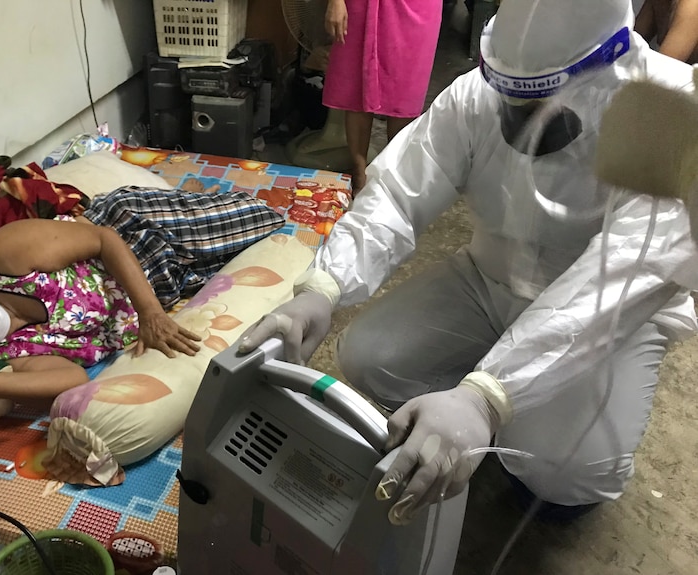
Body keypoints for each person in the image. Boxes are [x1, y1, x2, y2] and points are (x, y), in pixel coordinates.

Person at [239, 0, 698, 525]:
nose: (517, 123)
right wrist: (324, 285)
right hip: (487, 277)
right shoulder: (481, 92)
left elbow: (619, 277)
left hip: (610, 317)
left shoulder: (674, 118)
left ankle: (506, 417)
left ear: (605, 72)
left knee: (560, 472)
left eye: (539, 106)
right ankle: (482, 393)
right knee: (370, 357)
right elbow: (398, 195)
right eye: (511, 101)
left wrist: (487, 397)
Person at [0, 187, 283, 405]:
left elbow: (104, 239)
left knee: (264, 216)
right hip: (169, 282)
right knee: (262, 254)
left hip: (140, 237)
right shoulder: (10, 352)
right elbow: (73, 379)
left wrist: (151, 313)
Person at [323, 0, 442, 194]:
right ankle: (359, 178)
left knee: (405, 92)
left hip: (418, 8)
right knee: (356, 89)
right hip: (361, 6)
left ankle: (392, 180)